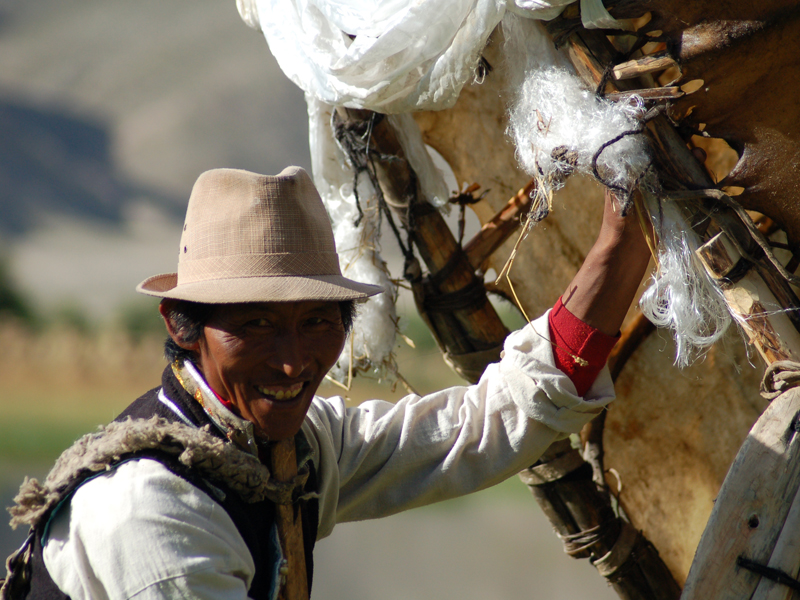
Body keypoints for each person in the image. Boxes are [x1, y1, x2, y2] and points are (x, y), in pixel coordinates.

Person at [3, 166, 650, 599]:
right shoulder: (151, 510)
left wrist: (621, 248)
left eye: (318, 322)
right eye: (254, 326)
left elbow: (481, 428)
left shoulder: (291, 452)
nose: (293, 363)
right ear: (182, 325)